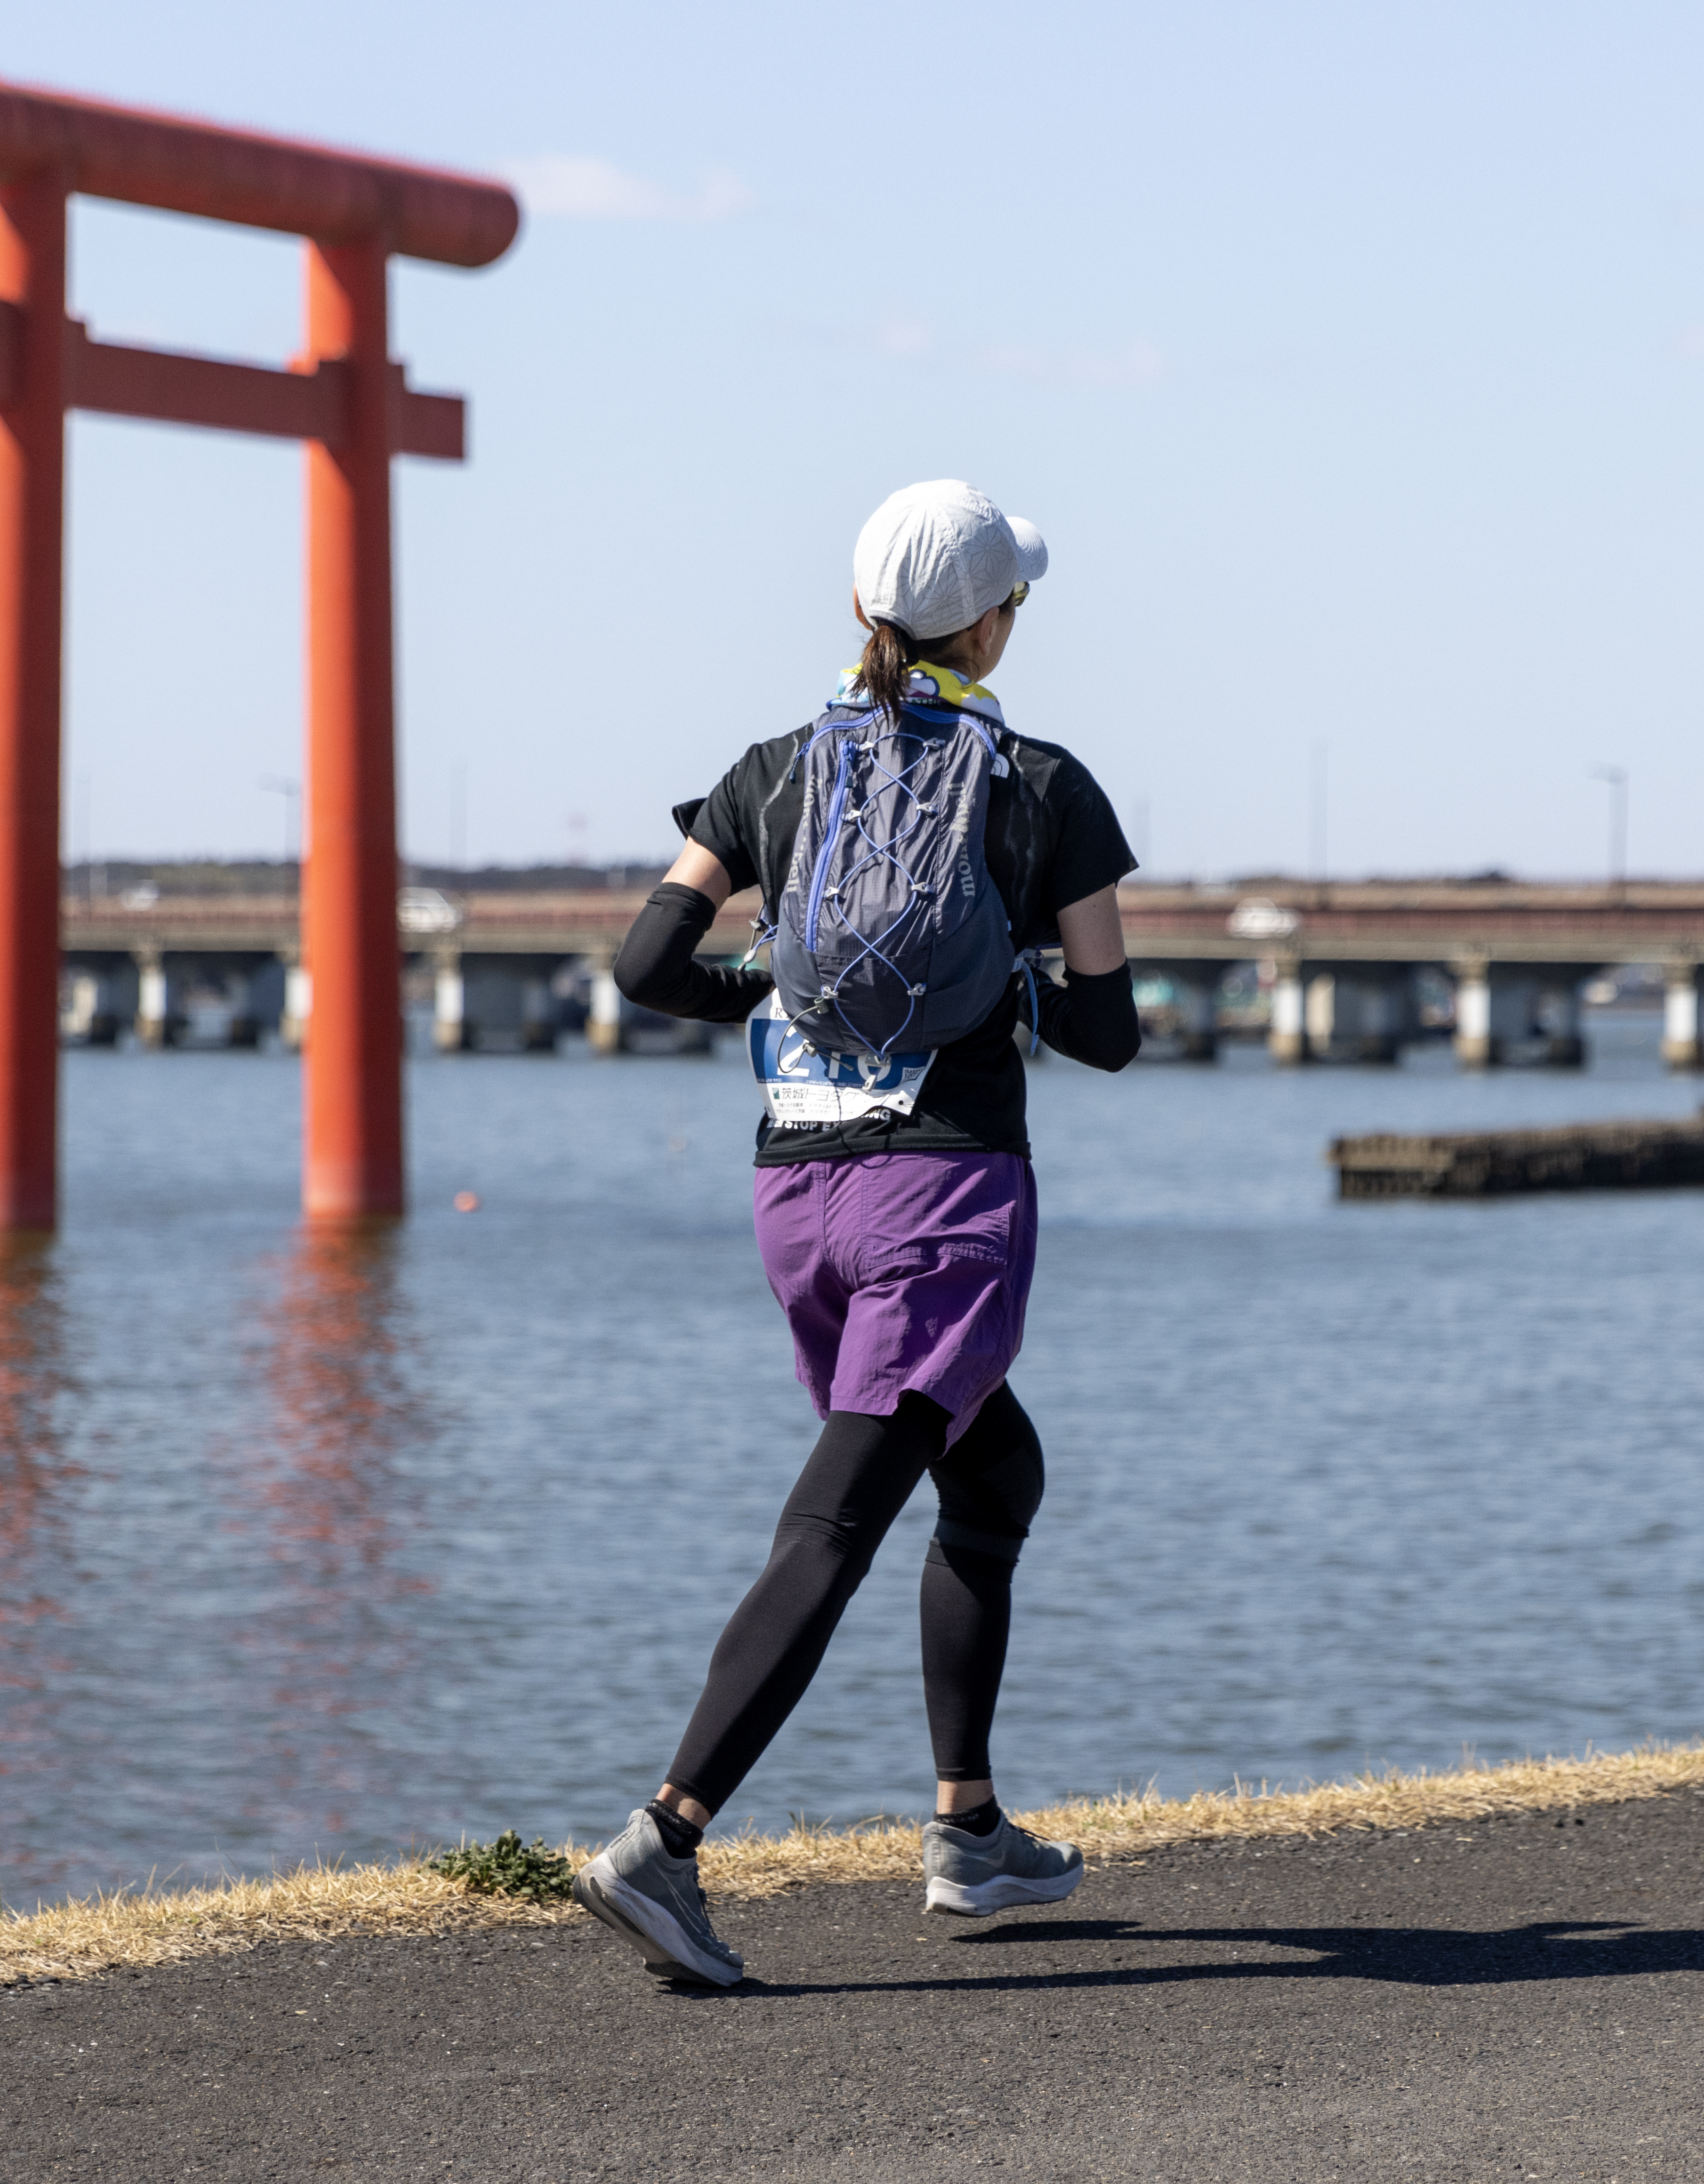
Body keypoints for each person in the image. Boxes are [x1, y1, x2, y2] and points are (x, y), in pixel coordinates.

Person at [571, 480, 1142, 1986]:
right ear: (994, 624)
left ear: (857, 610)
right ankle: (664, 1840)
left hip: (799, 1203)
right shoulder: (1042, 785)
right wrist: (1004, 980)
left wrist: (769, 987)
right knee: (834, 1524)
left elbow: (645, 968)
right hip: (941, 1204)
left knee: (995, 1471)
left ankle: (969, 1831)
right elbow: (1110, 1032)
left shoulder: (770, 772)